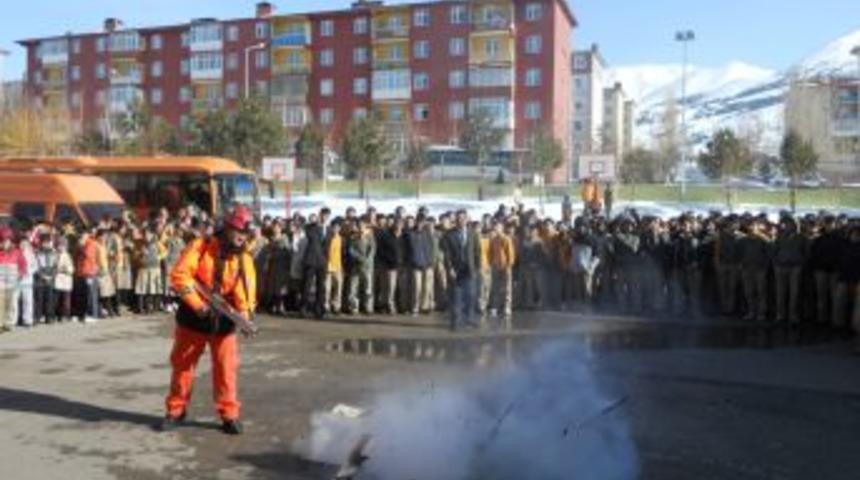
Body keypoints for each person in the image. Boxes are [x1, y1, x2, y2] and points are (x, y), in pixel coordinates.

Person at [162, 205, 257, 435]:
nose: (242, 237)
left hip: (224, 319)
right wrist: (198, 305)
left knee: (226, 369)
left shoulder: (243, 258)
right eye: (238, 231)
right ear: (227, 228)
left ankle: (229, 414)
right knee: (183, 365)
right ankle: (176, 410)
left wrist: (244, 316)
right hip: (193, 317)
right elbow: (180, 275)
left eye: (245, 233)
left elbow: (245, 290)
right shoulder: (201, 246)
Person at [442, 210, 481, 330]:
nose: (461, 221)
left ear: (467, 219)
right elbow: (447, 254)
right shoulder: (449, 234)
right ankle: (456, 321)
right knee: (456, 296)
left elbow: (477, 252)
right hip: (456, 269)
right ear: (456, 220)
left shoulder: (472, 233)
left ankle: (469, 319)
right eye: (459, 218)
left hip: (469, 269)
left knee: (470, 295)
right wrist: (450, 268)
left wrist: (477, 267)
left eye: (463, 218)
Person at [0, 226, 26, 331]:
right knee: (1, 302)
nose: (5, 243)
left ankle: (9, 322)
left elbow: (23, 264)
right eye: (2, 241)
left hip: (13, 281)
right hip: (1, 282)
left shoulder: (17, 252)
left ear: (11, 241)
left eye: (7, 240)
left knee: (11, 302)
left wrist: (21, 273)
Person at [74, 229, 101, 323]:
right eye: (80, 236)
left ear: (87, 235)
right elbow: (76, 256)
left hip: (90, 272)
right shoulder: (81, 244)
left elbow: (89, 256)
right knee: (83, 295)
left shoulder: (91, 244)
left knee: (91, 294)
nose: (81, 237)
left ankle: (93, 314)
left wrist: (81, 246)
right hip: (81, 272)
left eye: (83, 235)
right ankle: (82, 314)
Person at [33, 234, 58, 324]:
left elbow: (56, 266)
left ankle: (49, 316)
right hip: (40, 279)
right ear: (41, 243)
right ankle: (37, 316)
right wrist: (42, 276)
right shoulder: (37, 253)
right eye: (44, 242)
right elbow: (36, 266)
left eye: (48, 242)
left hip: (51, 278)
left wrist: (52, 276)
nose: (46, 244)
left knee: (50, 299)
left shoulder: (54, 253)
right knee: (39, 298)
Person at [54, 236, 74, 323]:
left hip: (66, 280)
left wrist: (64, 269)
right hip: (58, 280)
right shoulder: (55, 254)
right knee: (58, 299)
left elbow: (71, 269)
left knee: (66, 299)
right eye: (59, 245)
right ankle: (58, 315)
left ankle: (66, 315)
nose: (60, 247)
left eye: (62, 245)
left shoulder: (67, 256)